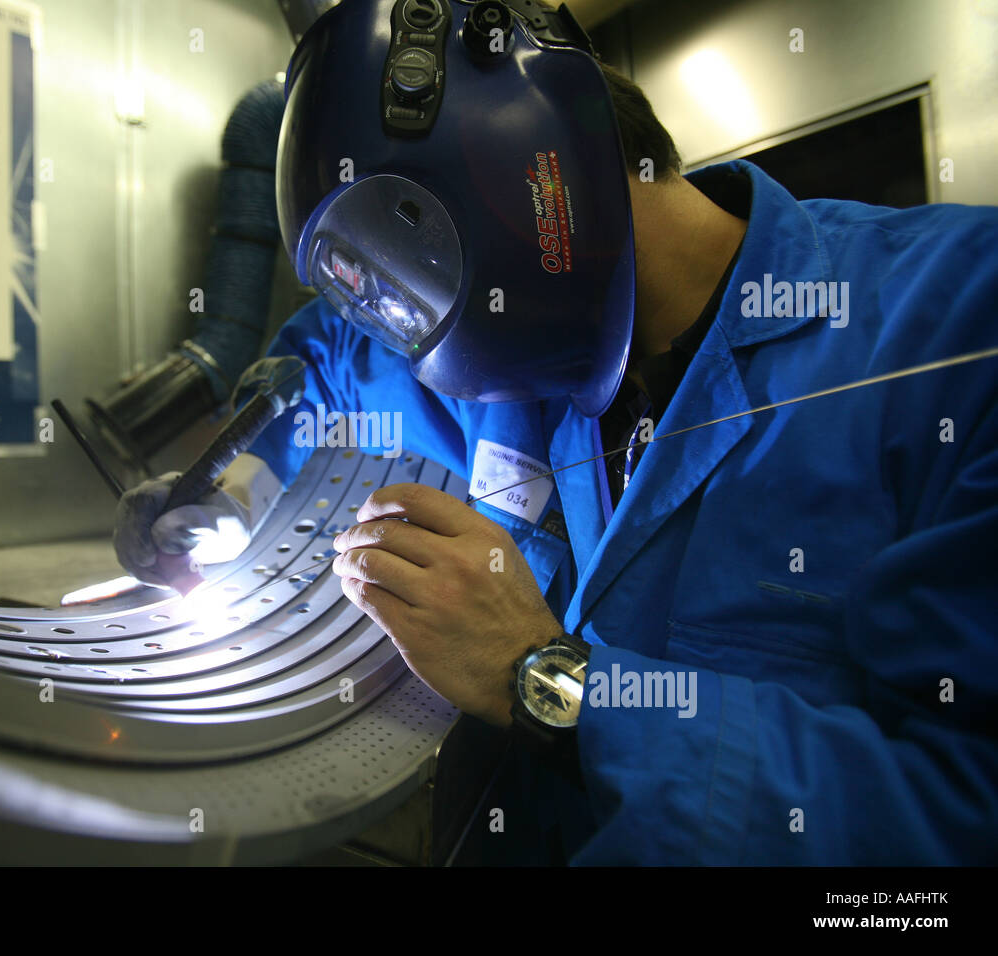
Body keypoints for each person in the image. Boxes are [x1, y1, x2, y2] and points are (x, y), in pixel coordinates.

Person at [115, 0, 998, 864]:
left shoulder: (956, 323)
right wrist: (238, 484)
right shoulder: (522, 355)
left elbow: (960, 811)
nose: (419, 327)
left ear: (532, 169)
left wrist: (544, 674)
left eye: (419, 243)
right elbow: (329, 354)